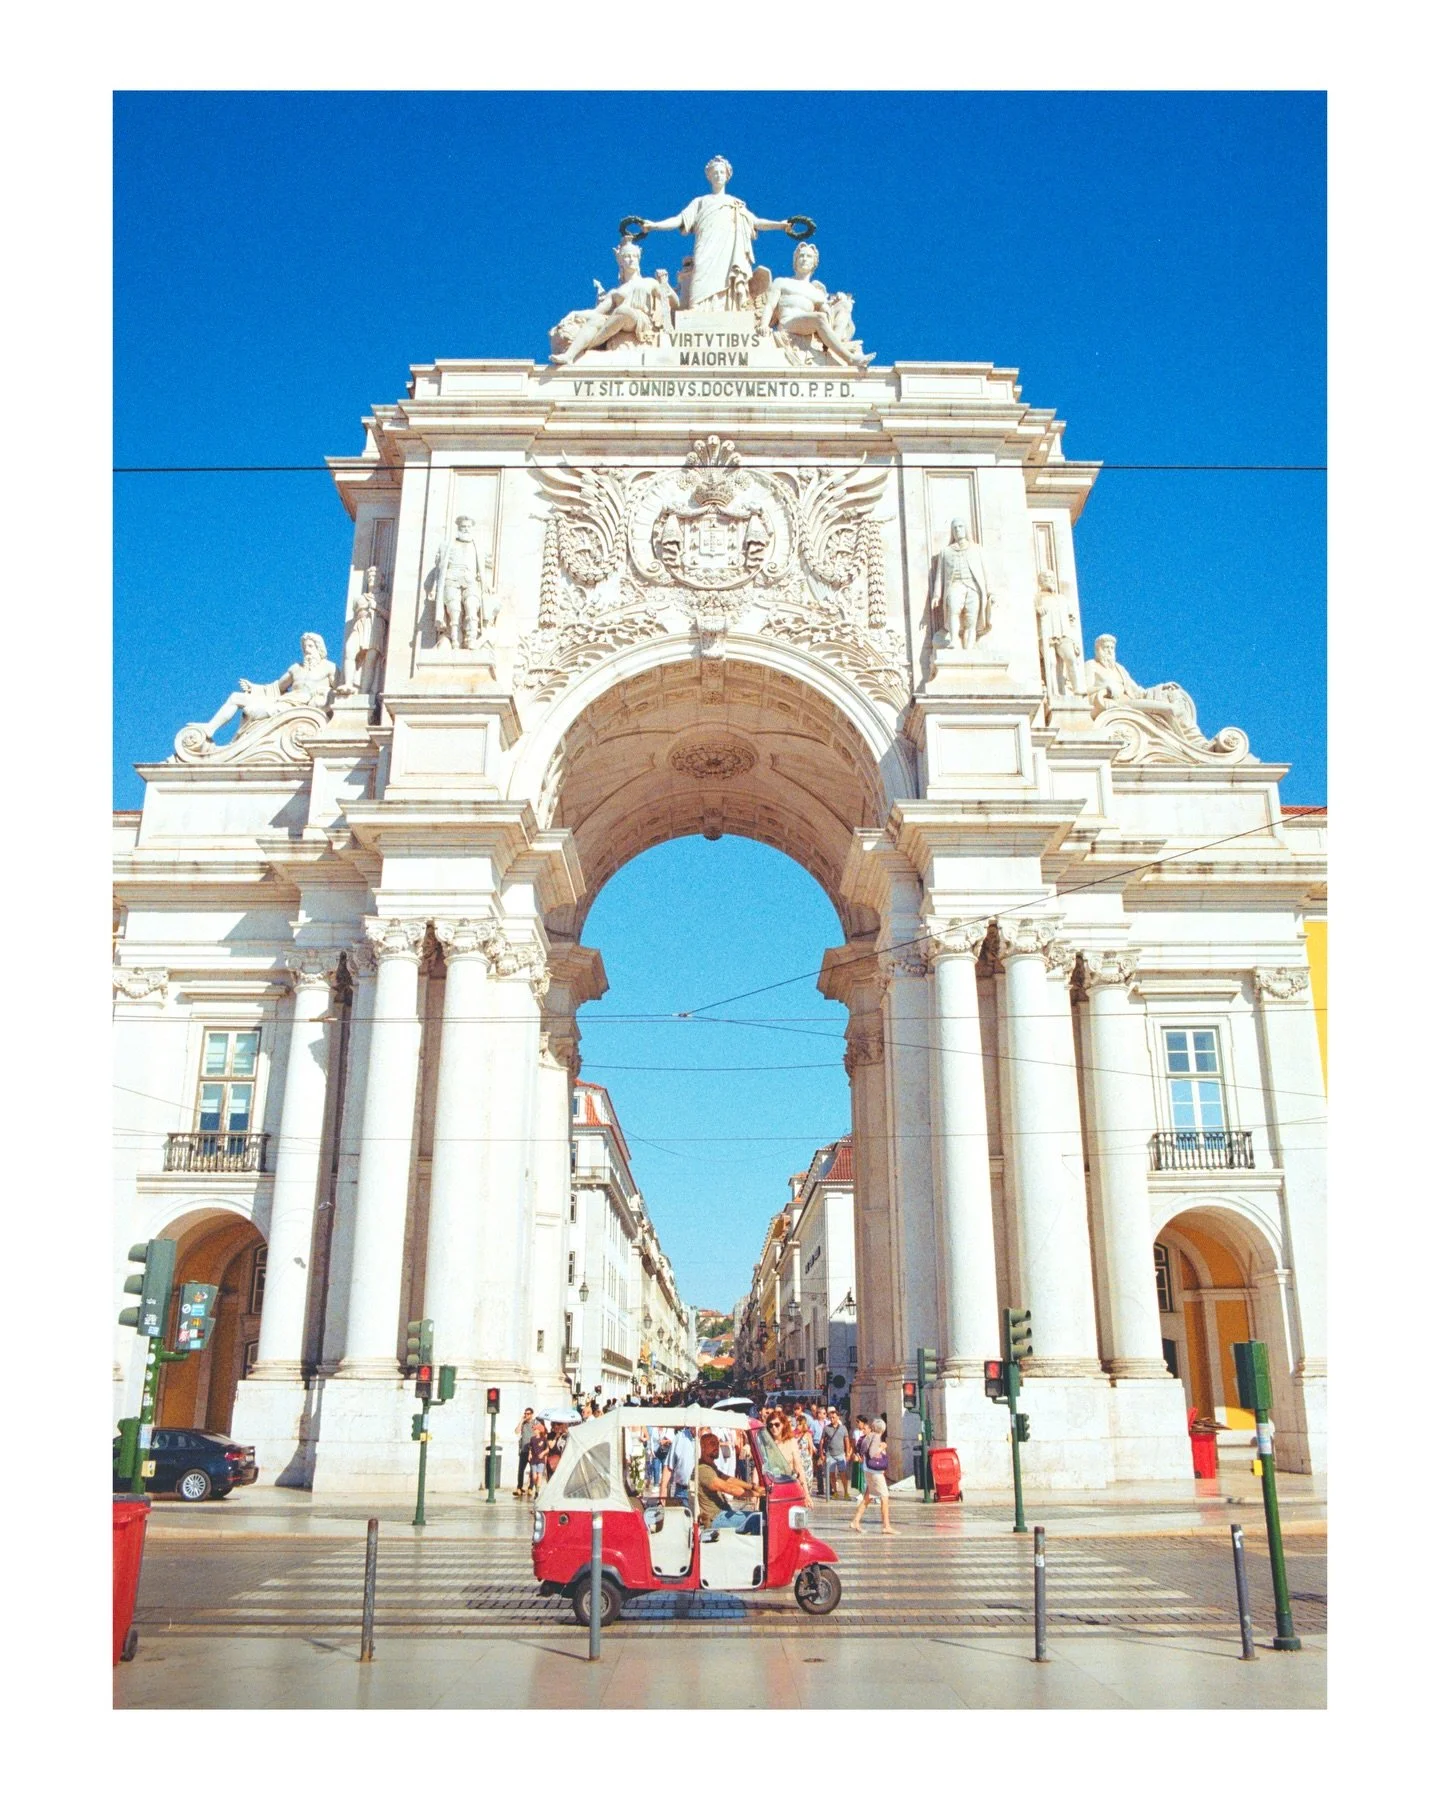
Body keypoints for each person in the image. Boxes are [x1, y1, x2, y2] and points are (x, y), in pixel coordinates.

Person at [635, 156, 793, 312]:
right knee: (700, 281)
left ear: (727, 176)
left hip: (729, 252)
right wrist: (654, 225)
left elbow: (756, 222)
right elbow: (678, 220)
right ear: (709, 177)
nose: (718, 175)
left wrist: (780, 225)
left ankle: (729, 311)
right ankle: (697, 310)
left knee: (728, 280)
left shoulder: (735, 204)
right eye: (715, 173)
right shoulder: (700, 202)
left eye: (721, 172)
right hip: (705, 249)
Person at [757, 240, 873, 368]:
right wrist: (763, 325)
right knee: (819, 318)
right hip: (787, 323)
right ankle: (850, 358)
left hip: (807, 324)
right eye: (801, 256)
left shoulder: (816, 292)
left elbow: (828, 314)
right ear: (795, 261)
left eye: (808, 256)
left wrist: (839, 300)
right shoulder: (782, 282)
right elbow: (770, 306)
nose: (804, 259)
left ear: (814, 263)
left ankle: (833, 346)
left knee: (844, 306)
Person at [201, 632, 336, 741]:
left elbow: (341, 692)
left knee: (259, 712)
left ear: (319, 648)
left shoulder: (329, 668)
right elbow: (276, 688)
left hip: (299, 706)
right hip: (285, 702)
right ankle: (210, 728)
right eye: (305, 647)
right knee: (236, 697)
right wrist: (253, 688)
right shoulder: (296, 669)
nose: (307, 650)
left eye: (311, 646)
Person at [929, 520, 993, 648]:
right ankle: (953, 640)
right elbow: (940, 575)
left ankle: (969, 648)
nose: (958, 530)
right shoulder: (946, 552)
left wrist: (991, 592)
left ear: (965, 529)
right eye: (955, 528)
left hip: (973, 587)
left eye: (960, 527)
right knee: (953, 610)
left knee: (971, 618)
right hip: (955, 585)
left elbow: (986, 572)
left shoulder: (977, 549)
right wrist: (936, 595)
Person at [696, 1432, 764, 1533]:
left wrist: (753, 1486)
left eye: (717, 1444)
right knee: (759, 1520)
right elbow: (728, 1488)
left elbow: (729, 1479)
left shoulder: (710, 1467)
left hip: (722, 1513)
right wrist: (756, 1494)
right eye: (712, 1444)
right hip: (715, 1518)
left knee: (758, 1516)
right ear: (703, 1447)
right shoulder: (703, 1470)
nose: (716, 1447)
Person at [849, 1415, 897, 1535]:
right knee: (885, 1496)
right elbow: (872, 1453)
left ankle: (855, 1521)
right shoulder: (876, 1437)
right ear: (883, 1429)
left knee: (868, 1496)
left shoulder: (868, 1436)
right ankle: (886, 1526)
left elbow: (863, 1451)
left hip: (867, 1469)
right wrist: (882, 1448)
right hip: (875, 1472)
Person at [765, 1414, 812, 1499]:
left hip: (787, 1486)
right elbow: (759, 1468)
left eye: (777, 1424)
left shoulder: (791, 1442)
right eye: (770, 1425)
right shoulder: (765, 1444)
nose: (774, 1427)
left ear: (783, 1425)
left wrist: (806, 1494)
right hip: (770, 1489)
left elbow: (798, 1468)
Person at [821, 1408, 852, 1500]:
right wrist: (822, 1454)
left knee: (843, 1474)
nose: (832, 1419)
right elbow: (822, 1441)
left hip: (840, 1454)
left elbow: (847, 1440)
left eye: (833, 1417)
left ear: (838, 1417)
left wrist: (847, 1453)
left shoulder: (843, 1428)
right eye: (830, 1418)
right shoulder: (826, 1428)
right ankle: (835, 1492)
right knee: (831, 1474)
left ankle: (846, 1492)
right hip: (830, 1454)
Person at [659, 1426, 696, 1503]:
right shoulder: (680, 1437)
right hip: (682, 1492)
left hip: (703, 1495)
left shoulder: (709, 1438)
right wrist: (663, 1490)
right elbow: (669, 1465)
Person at [512, 1406, 536, 1497]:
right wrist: (521, 1421)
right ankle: (519, 1487)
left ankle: (530, 1487)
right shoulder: (523, 1424)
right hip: (523, 1450)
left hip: (533, 1451)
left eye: (528, 1413)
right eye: (525, 1413)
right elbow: (516, 1431)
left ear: (532, 1414)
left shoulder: (535, 1423)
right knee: (521, 1470)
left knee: (533, 1470)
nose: (526, 1415)